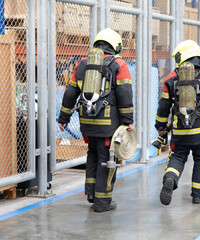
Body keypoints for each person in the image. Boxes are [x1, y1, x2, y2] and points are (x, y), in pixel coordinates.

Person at [58, 28, 134, 212]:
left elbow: (70, 92)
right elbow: (124, 93)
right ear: (115, 46)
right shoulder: (119, 65)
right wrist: (127, 120)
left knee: (92, 154)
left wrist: (64, 117)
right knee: (107, 159)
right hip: (108, 124)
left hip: (86, 122)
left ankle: (92, 194)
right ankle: (102, 202)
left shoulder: (82, 65)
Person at [155, 40, 200, 205]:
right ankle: (199, 195)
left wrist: (160, 127)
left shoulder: (171, 78)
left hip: (179, 131)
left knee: (177, 156)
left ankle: (171, 178)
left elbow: (163, 106)